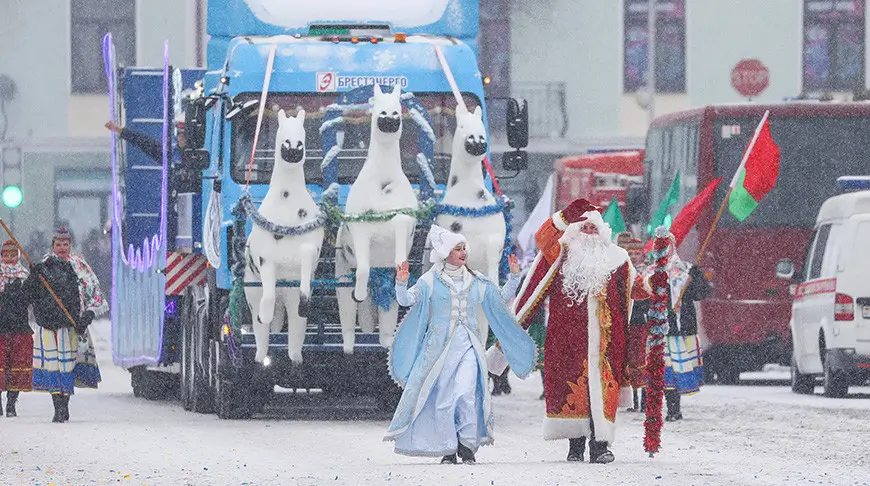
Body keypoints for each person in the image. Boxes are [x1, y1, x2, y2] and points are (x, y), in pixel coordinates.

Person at [512, 199, 651, 464]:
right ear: (575, 229)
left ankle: (600, 446)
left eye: (593, 228)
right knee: (573, 391)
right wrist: (563, 217)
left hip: (607, 342)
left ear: (602, 232)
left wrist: (654, 283)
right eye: (584, 227)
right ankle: (575, 445)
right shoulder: (562, 253)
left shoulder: (617, 258)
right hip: (567, 340)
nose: (589, 232)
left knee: (601, 393)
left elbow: (634, 288)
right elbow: (543, 238)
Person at [384, 226, 537, 464]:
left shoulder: (476, 280)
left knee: (465, 394)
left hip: (468, 348)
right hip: (438, 351)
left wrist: (515, 276)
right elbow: (406, 300)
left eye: (464, 247)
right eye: (457, 248)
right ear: (446, 253)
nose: (463, 252)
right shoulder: (430, 281)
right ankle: (448, 447)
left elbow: (500, 296)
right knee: (444, 400)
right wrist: (401, 284)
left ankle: (467, 445)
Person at [30, 227, 108, 422]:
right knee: (53, 366)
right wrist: (33, 278)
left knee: (66, 366)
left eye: (65, 245)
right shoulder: (43, 267)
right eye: (58, 245)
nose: (62, 248)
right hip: (49, 325)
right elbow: (31, 295)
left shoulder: (79, 266)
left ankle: (64, 404)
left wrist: (88, 315)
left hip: (71, 326)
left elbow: (94, 293)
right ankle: (57, 405)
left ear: (70, 245)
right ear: (53, 245)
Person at [661, 233, 712, 422]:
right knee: (668, 370)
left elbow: (702, 293)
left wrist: (693, 281)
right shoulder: (653, 272)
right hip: (663, 329)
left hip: (684, 328)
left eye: (668, 246)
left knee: (680, 369)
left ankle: (675, 407)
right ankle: (671, 408)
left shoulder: (688, 269)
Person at [616, 232, 650, 412]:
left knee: (641, 360)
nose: (634, 257)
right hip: (625, 321)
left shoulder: (647, 272)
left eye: (637, 254)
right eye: (631, 254)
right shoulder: (624, 271)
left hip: (641, 321)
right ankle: (632, 400)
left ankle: (644, 400)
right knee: (627, 361)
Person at [0, 240, 32, 417]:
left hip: (19, 326)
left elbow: (29, 298)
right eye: (7, 255)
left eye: (14, 255)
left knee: (17, 366)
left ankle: (12, 403)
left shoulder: (24, 276)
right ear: (2, 256)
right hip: (1, 326)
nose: (10, 258)